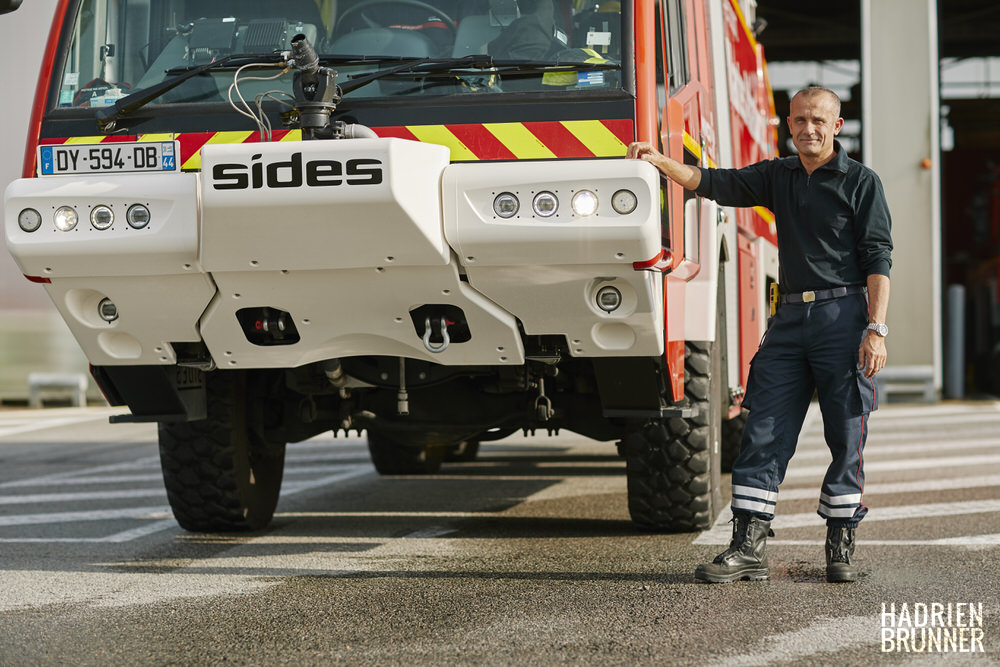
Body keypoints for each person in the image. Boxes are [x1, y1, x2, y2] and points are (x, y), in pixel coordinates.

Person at [627, 86, 892, 584]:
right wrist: (661, 160)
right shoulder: (778, 175)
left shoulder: (861, 182)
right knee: (763, 430)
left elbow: (878, 257)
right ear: (787, 125)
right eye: (798, 120)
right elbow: (712, 182)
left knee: (847, 434)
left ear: (837, 126)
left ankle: (840, 543)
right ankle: (748, 546)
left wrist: (875, 329)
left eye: (818, 121)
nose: (807, 129)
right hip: (790, 322)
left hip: (844, 319)